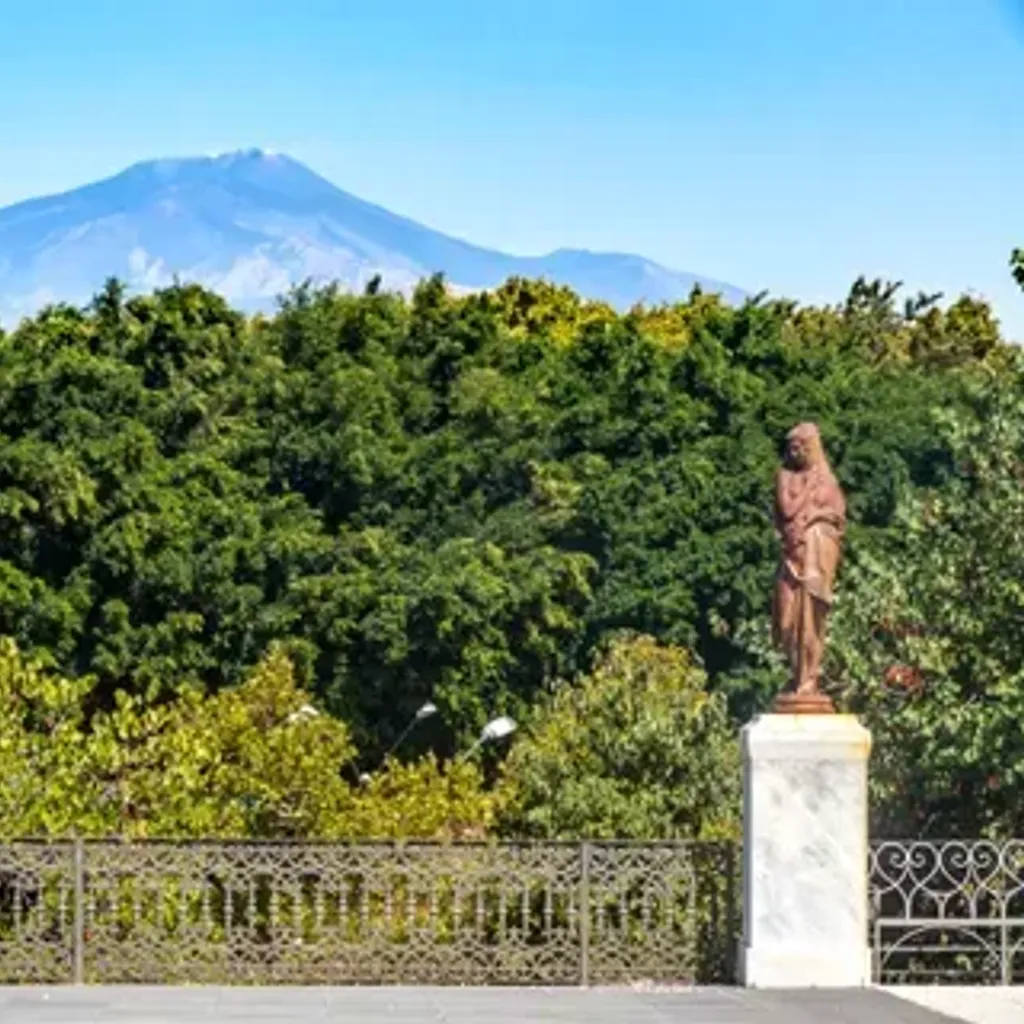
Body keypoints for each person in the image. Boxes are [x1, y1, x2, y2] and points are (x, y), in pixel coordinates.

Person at [771, 422, 846, 709]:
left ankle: (808, 680)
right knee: (787, 622)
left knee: (812, 620)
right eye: (792, 447)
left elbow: (837, 520)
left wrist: (817, 520)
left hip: (816, 561)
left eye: (803, 446)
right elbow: (788, 511)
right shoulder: (785, 477)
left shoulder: (829, 483)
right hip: (791, 562)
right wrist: (808, 492)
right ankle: (795, 673)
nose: (797, 452)